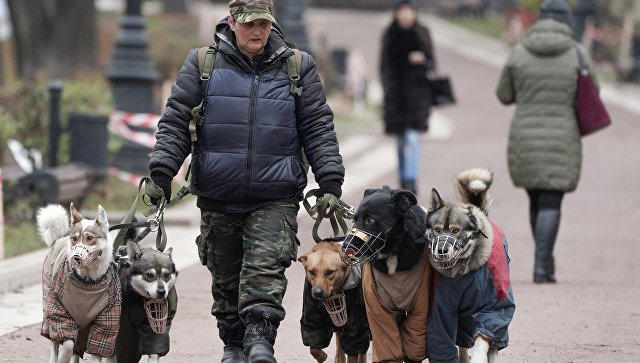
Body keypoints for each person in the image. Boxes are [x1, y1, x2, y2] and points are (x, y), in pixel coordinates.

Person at [148, 1, 345, 362]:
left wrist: (330, 180)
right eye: (249, 24)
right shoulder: (202, 64)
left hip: (276, 194)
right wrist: (161, 172)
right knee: (225, 281)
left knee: (265, 272)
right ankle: (234, 346)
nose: (257, 31)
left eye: (264, 24)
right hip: (217, 193)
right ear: (231, 23)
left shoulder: (297, 67)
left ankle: (260, 343)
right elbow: (176, 121)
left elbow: (318, 128)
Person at [496, 0, 598, 283]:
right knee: (552, 202)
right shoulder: (577, 53)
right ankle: (543, 266)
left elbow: (504, 93)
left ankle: (544, 262)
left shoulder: (519, 52)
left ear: (540, 20)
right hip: (563, 135)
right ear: (566, 21)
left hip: (525, 135)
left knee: (536, 198)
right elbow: (594, 90)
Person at [380, 0, 435, 195]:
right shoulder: (390, 34)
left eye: (409, 11)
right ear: (396, 13)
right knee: (400, 140)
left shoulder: (422, 33)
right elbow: (384, 66)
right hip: (396, 95)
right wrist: (388, 88)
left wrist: (424, 59)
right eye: (402, 11)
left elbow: (432, 63)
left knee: (413, 138)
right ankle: (403, 178)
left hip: (418, 95)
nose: (406, 15)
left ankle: (411, 181)